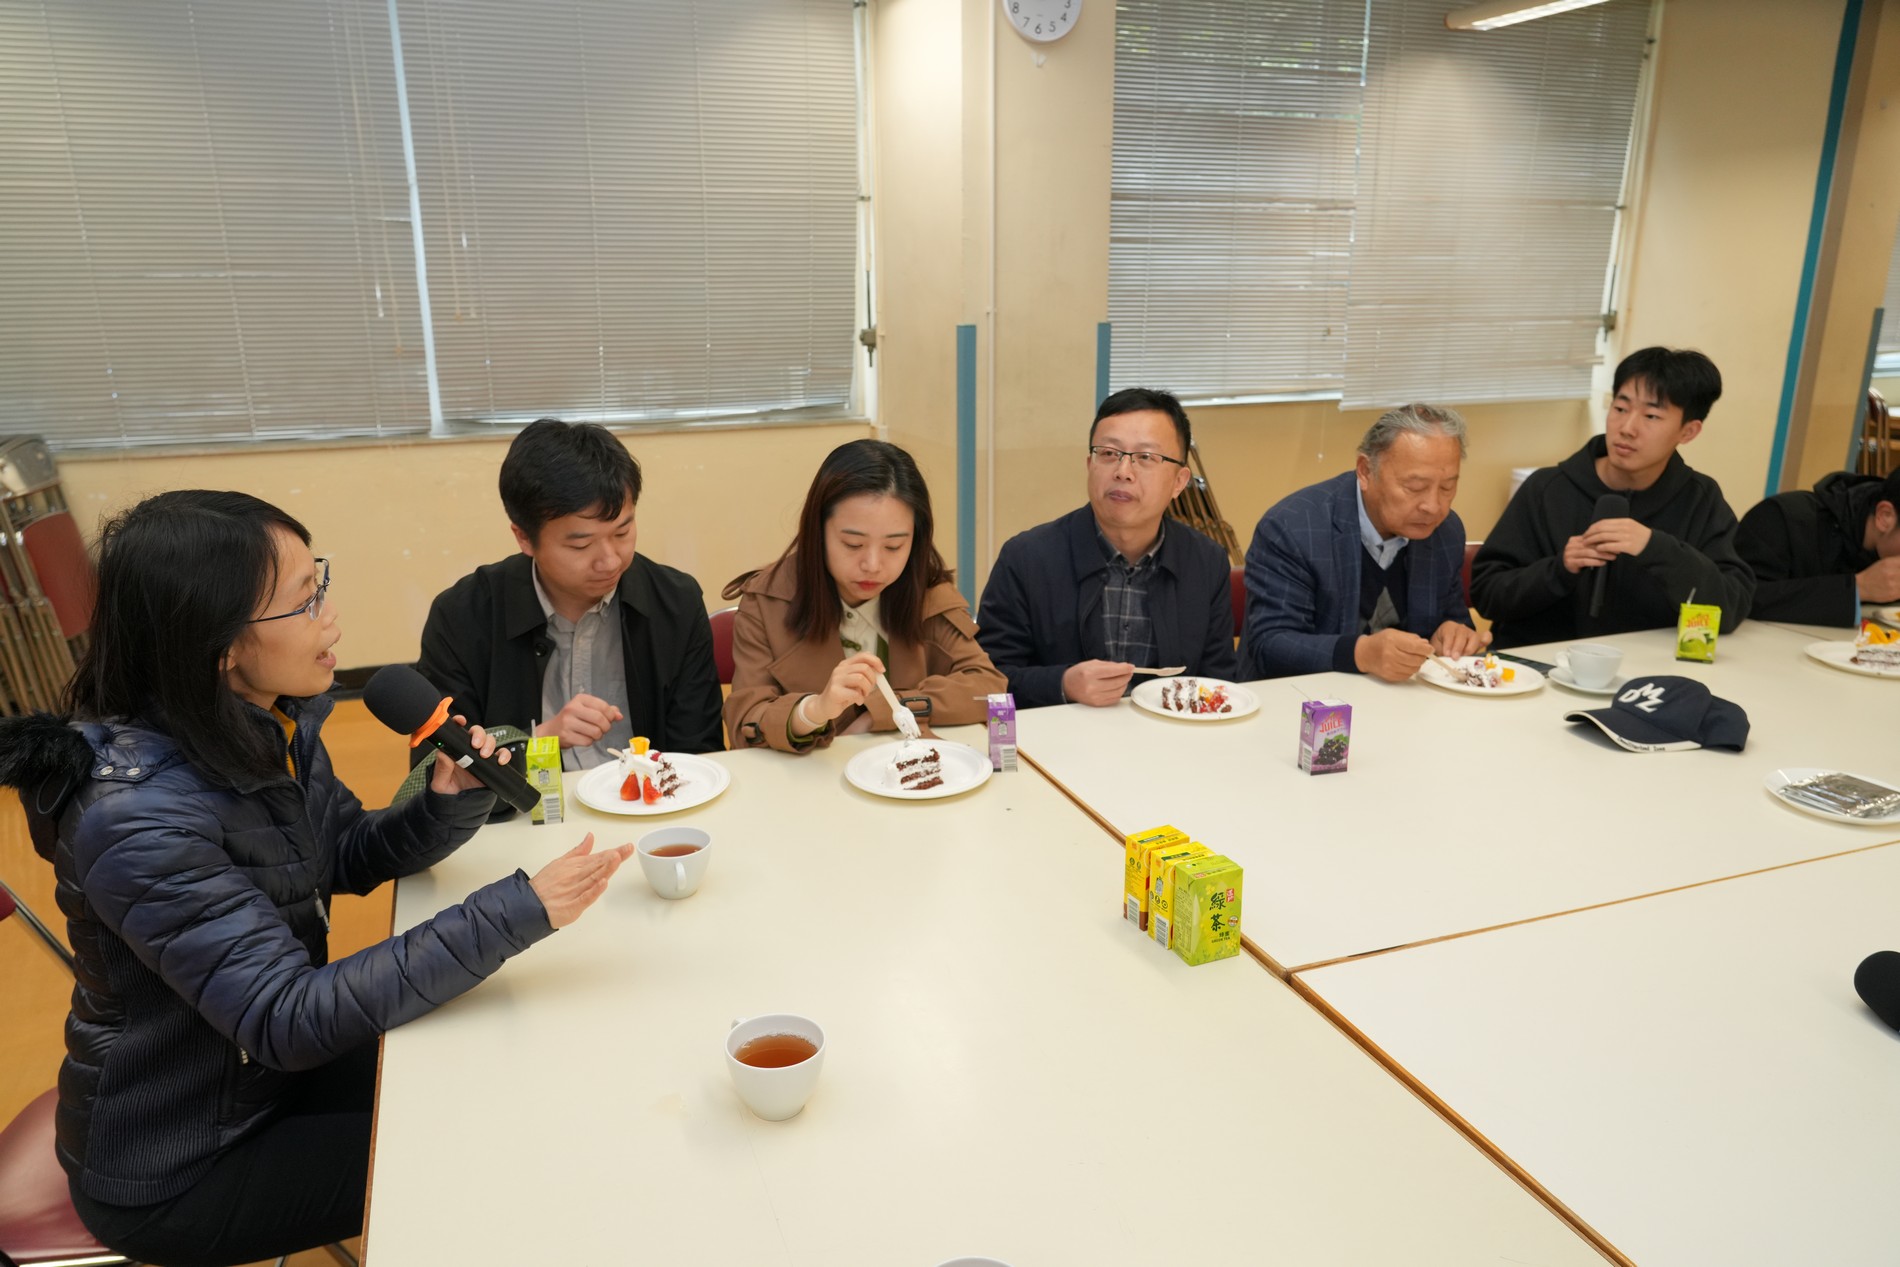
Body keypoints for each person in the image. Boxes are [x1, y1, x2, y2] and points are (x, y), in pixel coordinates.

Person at [0, 490, 632, 1267]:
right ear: (220, 644)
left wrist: (447, 803)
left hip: (264, 1074)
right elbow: (286, 1014)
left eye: (319, 583)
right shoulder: (134, 820)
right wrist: (517, 910)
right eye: (304, 602)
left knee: (497, 1052)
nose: (330, 618)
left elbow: (344, 853)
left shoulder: (266, 720)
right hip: (181, 1156)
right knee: (482, 1142)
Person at [416, 418, 724, 774]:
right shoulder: (462, 617)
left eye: (622, 532)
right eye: (581, 544)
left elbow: (700, 756)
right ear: (524, 538)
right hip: (521, 804)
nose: (610, 560)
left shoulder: (676, 603)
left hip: (649, 800)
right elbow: (436, 773)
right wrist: (537, 741)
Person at [723, 439, 1005, 751]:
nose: (872, 565)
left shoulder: (926, 589)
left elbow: (989, 688)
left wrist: (881, 712)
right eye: (853, 544)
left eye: (893, 546)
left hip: (907, 770)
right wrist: (813, 710)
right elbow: (745, 725)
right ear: (818, 531)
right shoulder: (766, 602)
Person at [1471, 347, 1754, 647]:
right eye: (1620, 408)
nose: (1627, 428)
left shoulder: (1700, 500)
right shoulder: (1547, 488)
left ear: (1688, 432)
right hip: (1537, 666)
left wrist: (1656, 548)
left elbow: (1730, 608)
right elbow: (1487, 595)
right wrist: (1560, 570)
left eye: (1651, 416)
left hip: (1650, 668)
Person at [975, 387, 1237, 707]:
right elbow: (986, 680)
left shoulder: (1206, 562)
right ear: (1090, 464)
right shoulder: (1026, 558)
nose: (1123, 472)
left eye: (1145, 457)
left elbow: (1219, 680)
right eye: (1109, 453)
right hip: (1060, 734)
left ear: (1179, 482)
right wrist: (1062, 684)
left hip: (1169, 733)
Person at [1241, 404, 1487, 682]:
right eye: (1415, 487)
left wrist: (1453, 634)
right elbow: (1271, 645)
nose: (1433, 506)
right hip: (1304, 697)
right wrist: (1360, 653)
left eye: (1447, 487)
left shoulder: (1446, 531)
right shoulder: (1293, 527)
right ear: (1366, 471)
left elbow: (1452, 617)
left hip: (1405, 698)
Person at [1734, 467, 1900, 626]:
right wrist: (1858, 588)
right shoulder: (1779, 519)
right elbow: (1743, 597)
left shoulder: (1884, 549)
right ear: (1885, 516)